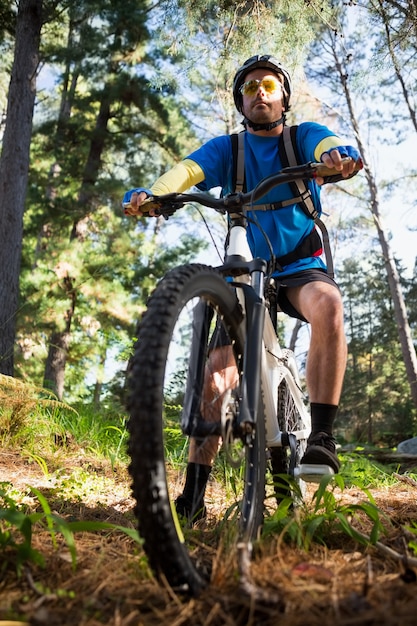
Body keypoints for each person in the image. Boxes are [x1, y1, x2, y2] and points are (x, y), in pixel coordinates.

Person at [123, 54, 361, 520]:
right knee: (217, 370)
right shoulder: (226, 151)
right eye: (250, 87)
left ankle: (321, 437)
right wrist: (154, 194)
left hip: (297, 266)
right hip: (246, 268)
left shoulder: (301, 138)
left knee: (328, 306)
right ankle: (193, 497)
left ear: (283, 97)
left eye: (268, 85)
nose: (259, 92)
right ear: (240, 101)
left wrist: (337, 159)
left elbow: (328, 145)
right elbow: (187, 172)